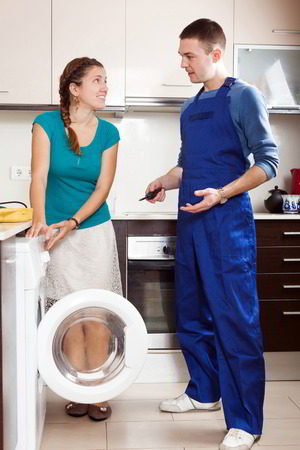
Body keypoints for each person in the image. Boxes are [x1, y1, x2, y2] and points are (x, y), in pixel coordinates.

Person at [145, 19, 279, 450]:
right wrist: (163, 181)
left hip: (227, 225)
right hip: (191, 222)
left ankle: (246, 421)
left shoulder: (244, 96)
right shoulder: (189, 107)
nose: (182, 63)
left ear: (215, 54)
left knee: (235, 321)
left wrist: (221, 193)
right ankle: (204, 392)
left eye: (189, 55)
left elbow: (268, 162)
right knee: (191, 312)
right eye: (181, 55)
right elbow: (186, 164)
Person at [26, 56, 122, 421]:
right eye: (97, 80)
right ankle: (74, 387)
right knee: (65, 313)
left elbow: (103, 188)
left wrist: (73, 221)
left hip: (93, 232)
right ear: (74, 88)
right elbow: (38, 177)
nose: (104, 87)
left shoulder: (110, 133)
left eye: (105, 80)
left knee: (95, 314)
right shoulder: (45, 124)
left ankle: (96, 388)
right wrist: (41, 222)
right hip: (55, 236)